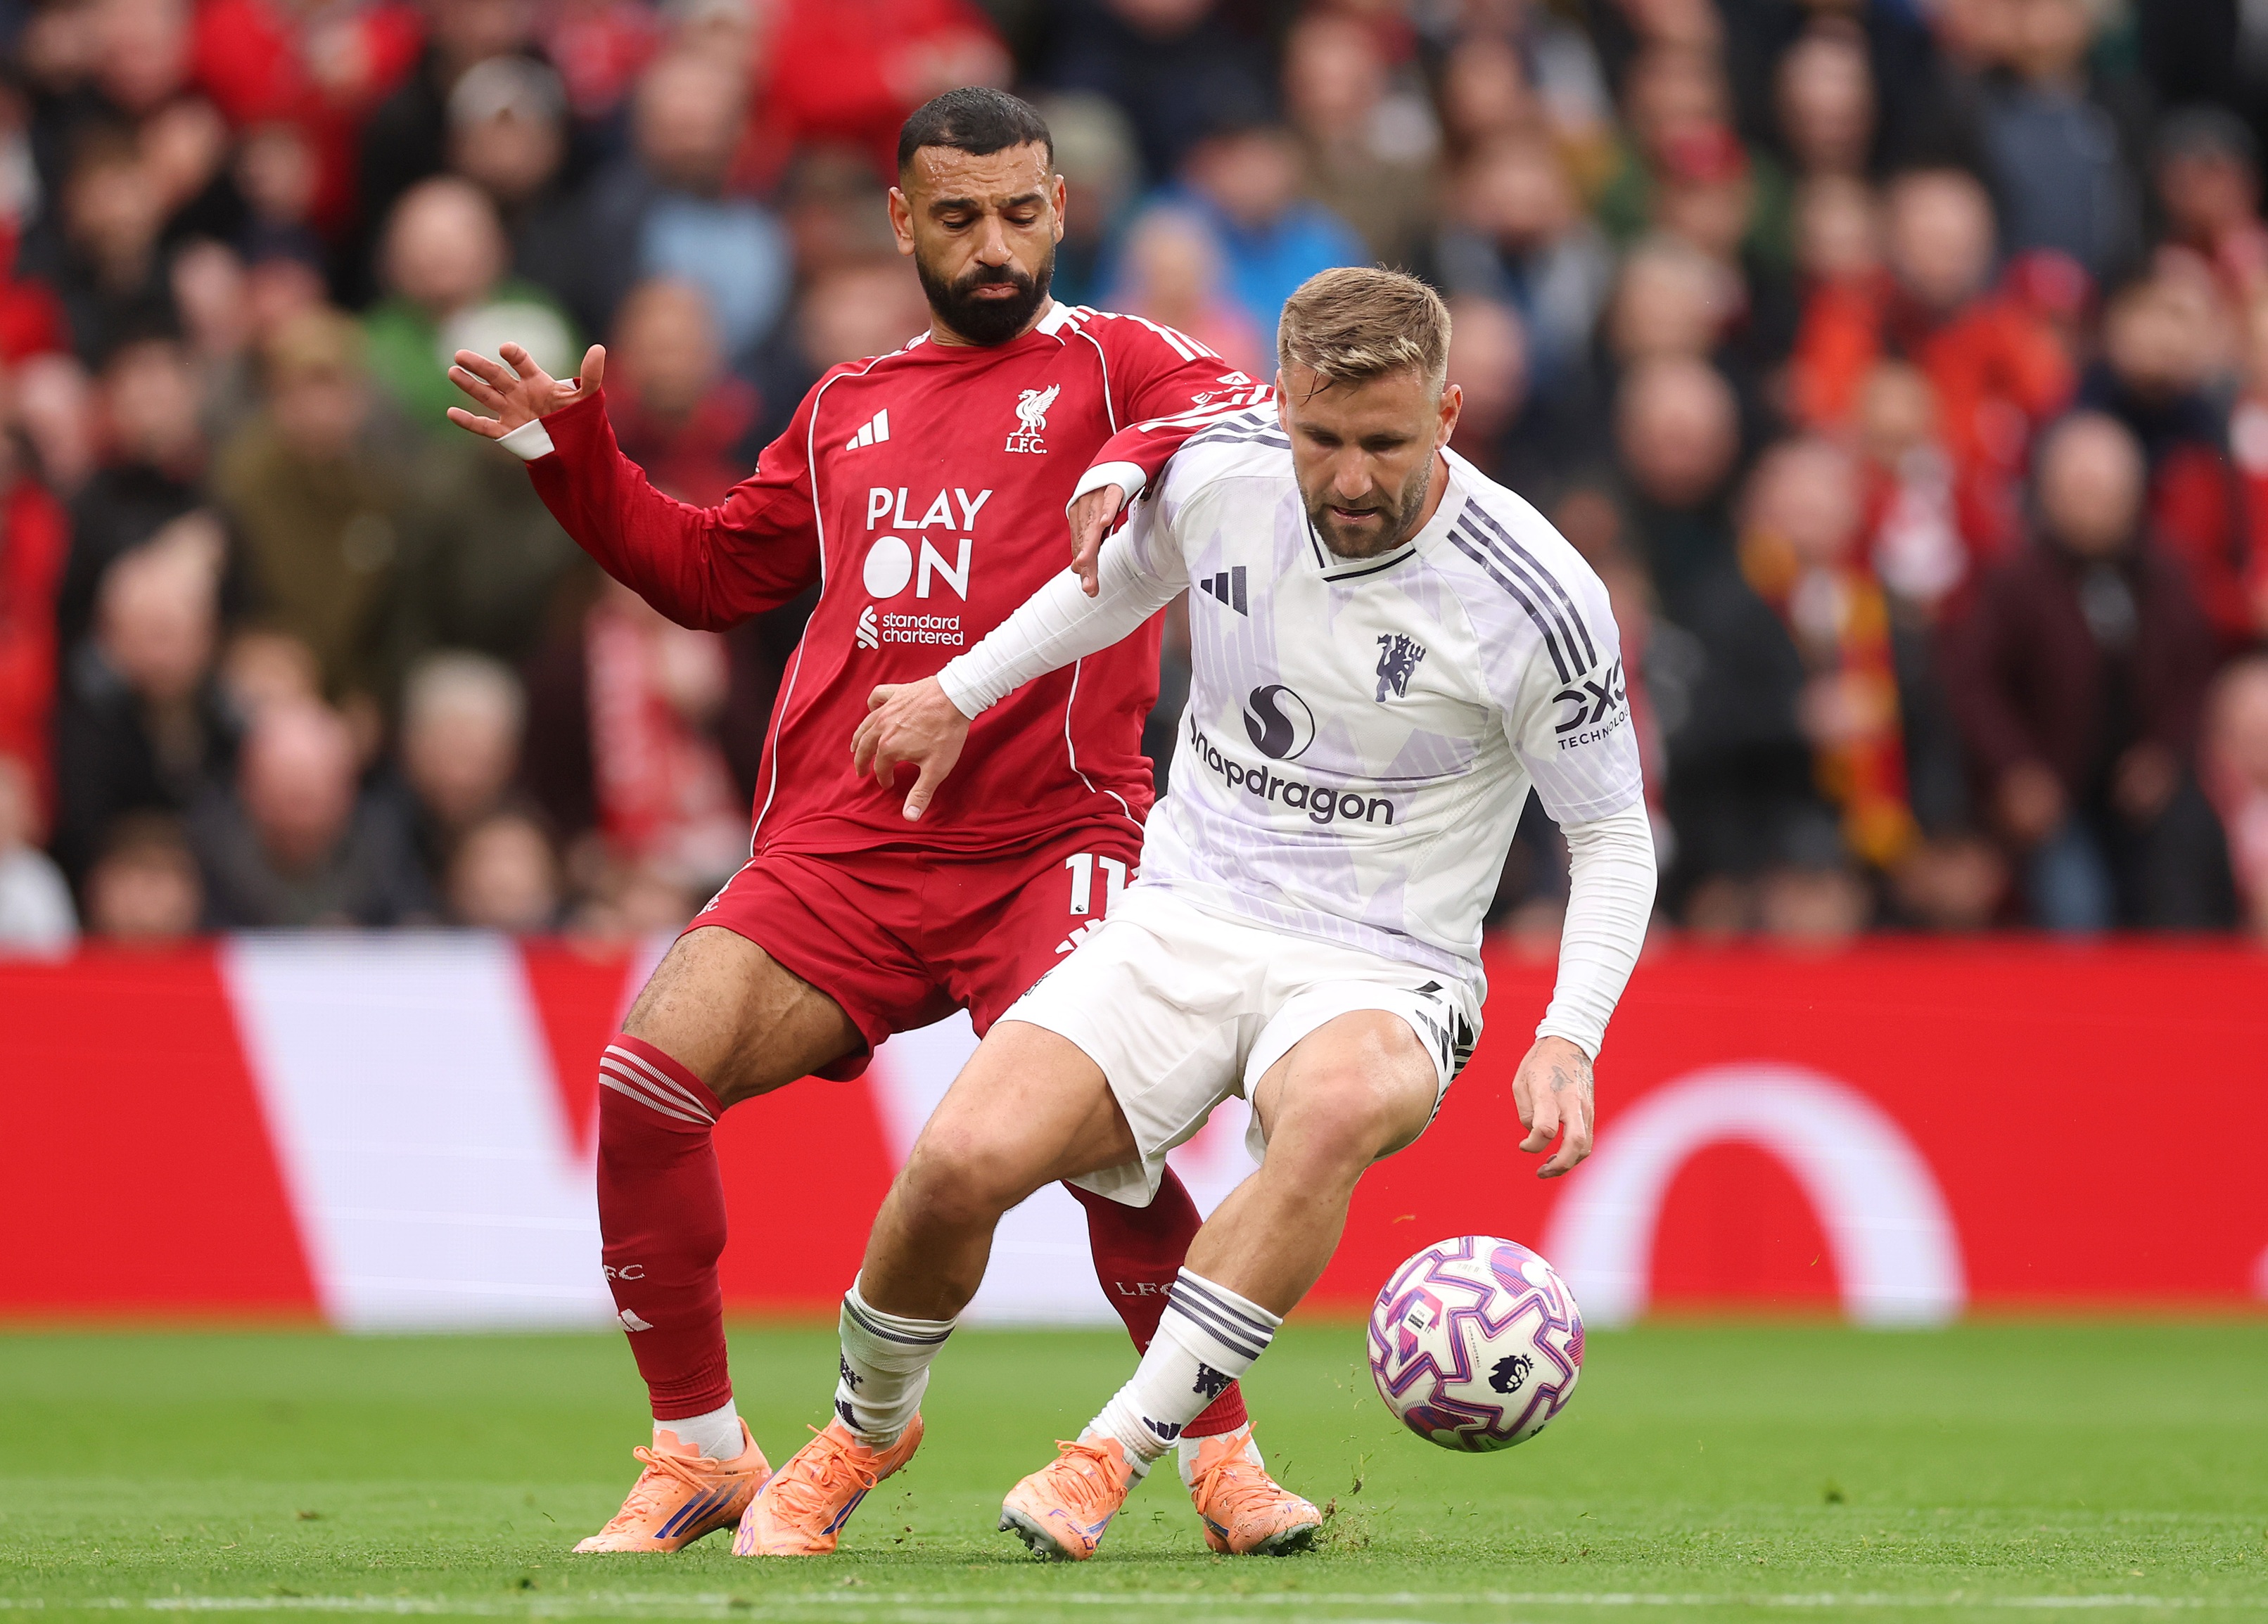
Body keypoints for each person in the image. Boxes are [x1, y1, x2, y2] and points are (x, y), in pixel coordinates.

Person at [443, 87, 1313, 1556]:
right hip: (843, 848)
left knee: (1115, 1134)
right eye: (960, 217)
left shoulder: (1115, 363)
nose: (995, 245)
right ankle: (700, 1452)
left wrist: (1121, 464)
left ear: (1058, 211)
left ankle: (1221, 1460)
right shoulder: (847, 405)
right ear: (902, 220)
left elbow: (1240, 410)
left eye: (1022, 213)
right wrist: (572, 462)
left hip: (1052, 837)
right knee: (646, 1078)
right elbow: (714, 574)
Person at [753, 267, 1656, 1560]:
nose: (1349, 477)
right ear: (1280, 400)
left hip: (1384, 963)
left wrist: (1570, 1029)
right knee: (959, 1166)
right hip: (1186, 913)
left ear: (1450, 412)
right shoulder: (1221, 469)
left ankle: (1107, 1453)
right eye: (1322, 438)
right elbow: (1113, 585)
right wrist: (960, 689)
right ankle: (862, 1427)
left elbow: (1613, 832)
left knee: (1333, 1108)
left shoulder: (1536, 594)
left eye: (1387, 444)